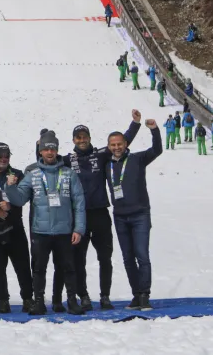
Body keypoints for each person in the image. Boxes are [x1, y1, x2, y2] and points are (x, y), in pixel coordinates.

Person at [55, 115, 141, 312]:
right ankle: (83, 296)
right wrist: (40, 144)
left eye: (84, 136)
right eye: (78, 137)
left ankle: (105, 296)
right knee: (79, 259)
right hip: (79, 217)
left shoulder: (101, 154)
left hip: (101, 213)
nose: (82, 140)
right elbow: (47, 159)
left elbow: (122, 142)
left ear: (90, 137)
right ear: (73, 140)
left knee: (105, 258)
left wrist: (135, 124)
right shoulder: (67, 160)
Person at [4, 130, 86, 316]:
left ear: (57, 150)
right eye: (46, 149)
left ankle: (71, 301)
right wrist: (10, 187)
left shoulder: (69, 174)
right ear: (40, 151)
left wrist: (79, 228)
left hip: (65, 230)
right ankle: (39, 302)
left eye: (53, 149)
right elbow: (19, 199)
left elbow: (79, 203)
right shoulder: (32, 174)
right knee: (39, 269)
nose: (50, 152)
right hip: (40, 231)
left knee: (68, 268)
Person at [105, 119, 162, 310]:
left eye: (119, 144)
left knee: (142, 255)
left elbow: (157, 150)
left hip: (140, 215)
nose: (117, 147)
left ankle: (145, 294)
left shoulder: (138, 159)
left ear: (126, 144)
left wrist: (154, 130)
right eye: (113, 145)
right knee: (128, 258)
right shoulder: (106, 164)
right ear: (109, 146)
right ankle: (136, 295)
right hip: (120, 216)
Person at [0, 143, 33, 314]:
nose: (4, 159)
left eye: (7, 156)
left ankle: (28, 298)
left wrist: (11, 208)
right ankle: (3, 300)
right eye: (0, 156)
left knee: (22, 265)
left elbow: (24, 197)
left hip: (14, 226)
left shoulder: (17, 174)